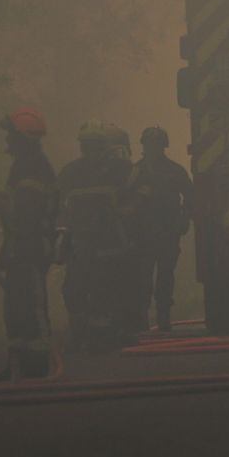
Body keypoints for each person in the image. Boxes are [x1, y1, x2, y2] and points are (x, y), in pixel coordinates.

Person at [58, 121, 137, 352]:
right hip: (80, 244)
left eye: (94, 145)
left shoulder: (121, 170)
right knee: (73, 289)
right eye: (86, 145)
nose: (89, 149)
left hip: (111, 242)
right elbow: (57, 205)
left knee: (108, 289)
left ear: (103, 146)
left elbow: (136, 200)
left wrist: (126, 218)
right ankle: (81, 332)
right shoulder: (70, 172)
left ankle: (110, 334)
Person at [0, 108, 57, 378]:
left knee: (31, 306)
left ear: (24, 138)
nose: (7, 142)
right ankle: (19, 364)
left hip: (30, 248)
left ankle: (39, 365)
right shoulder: (22, 167)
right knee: (15, 308)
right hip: (18, 247)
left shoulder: (34, 168)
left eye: (11, 136)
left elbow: (26, 215)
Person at [131, 126, 193, 333]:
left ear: (163, 146)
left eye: (156, 144)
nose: (153, 148)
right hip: (143, 233)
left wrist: (185, 218)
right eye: (150, 144)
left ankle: (163, 317)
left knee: (165, 276)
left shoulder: (175, 171)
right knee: (143, 277)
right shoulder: (135, 172)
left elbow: (190, 197)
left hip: (167, 232)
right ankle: (141, 317)